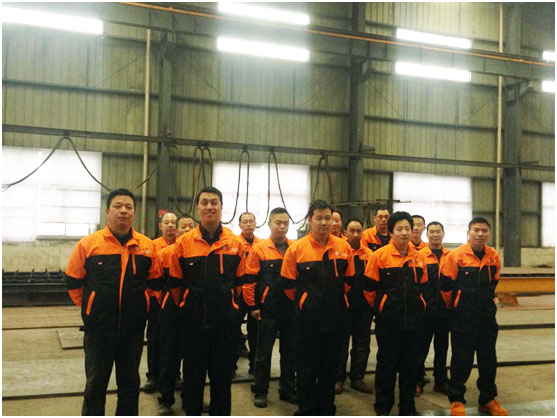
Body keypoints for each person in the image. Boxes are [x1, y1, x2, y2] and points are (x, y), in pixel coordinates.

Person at [65, 188, 162, 415]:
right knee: (95, 385)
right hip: (98, 331)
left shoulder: (147, 246)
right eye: (118, 206)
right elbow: (73, 281)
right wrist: (91, 306)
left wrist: (142, 307)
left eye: (129, 207)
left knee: (129, 385)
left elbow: (155, 285)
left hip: (132, 330)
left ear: (134, 213)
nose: (123, 211)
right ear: (107, 211)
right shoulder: (89, 244)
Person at [168, 186, 244, 416]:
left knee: (222, 380)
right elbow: (175, 285)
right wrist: (186, 306)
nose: (209, 207)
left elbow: (241, 283)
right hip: (193, 326)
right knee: (193, 379)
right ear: (197, 208)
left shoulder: (235, 243)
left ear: (221, 207)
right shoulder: (183, 244)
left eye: (214, 202)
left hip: (224, 327)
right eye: (204, 202)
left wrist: (233, 310)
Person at [281, 199, 355, 416]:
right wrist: (305, 302)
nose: (324, 223)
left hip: (335, 320)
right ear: (309, 220)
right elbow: (287, 285)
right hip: (307, 323)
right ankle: (306, 409)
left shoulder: (343, 247)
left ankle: (326, 409)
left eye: (328, 218)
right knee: (306, 369)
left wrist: (335, 300)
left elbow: (350, 281)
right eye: (319, 218)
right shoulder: (297, 249)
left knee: (329, 369)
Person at [363, 211, 428, 416]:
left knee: (410, 368)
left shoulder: (419, 257)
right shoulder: (379, 257)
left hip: (413, 324)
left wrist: (419, 306)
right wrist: (383, 308)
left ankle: (407, 408)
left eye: (407, 228)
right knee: (386, 367)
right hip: (388, 324)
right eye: (399, 229)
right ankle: (383, 408)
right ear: (391, 232)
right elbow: (369, 290)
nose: (404, 233)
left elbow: (423, 287)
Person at [440, 218, 507, 416]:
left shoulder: (493, 256)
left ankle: (487, 399)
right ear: (468, 232)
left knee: (488, 360)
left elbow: (493, 283)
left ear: (489, 233)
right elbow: (445, 288)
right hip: (463, 318)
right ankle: (456, 400)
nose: (480, 234)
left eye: (484, 230)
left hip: (486, 318)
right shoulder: (456, 256)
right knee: (461, 360)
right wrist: (458, 306)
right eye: (476, 230)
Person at [243, 207, 297, 408]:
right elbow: (249, 280)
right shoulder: (259, 249)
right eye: (278, 223)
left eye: (285, 223)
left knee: (290, 352)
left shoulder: (295, 248)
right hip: (268, 310)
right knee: (263, 353)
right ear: (269, 224)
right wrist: (253, 305)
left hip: (290, 310)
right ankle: (260, 390)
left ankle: (287, 389)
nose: (282, 227)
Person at [156, 214, 191, 415]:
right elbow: (156, 283)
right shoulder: (165, 254)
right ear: (176, 231)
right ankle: (165, 400)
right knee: (168, 357)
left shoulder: (199, 254)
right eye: (183, 226)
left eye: (190, 226)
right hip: (170, 311)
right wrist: (164, 303)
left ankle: (190, 399)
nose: (187, 230)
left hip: (192, 311)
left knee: (193, 359)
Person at [335, 218, 374, 395]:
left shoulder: (369, 255)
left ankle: (357, 378)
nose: (356, 234)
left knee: (362, 344)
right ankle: (338, 379)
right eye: (352, 231)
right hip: (343, 307)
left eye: (359, 231)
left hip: (364, 308)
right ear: (345, 232)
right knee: (340, 344)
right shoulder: (340, 252)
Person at [415, 222, 450, 397]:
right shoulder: (419, 256)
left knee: (442, 348)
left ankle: (441, 381)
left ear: (443, 233)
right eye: (432, 232)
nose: (435, 235)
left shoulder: (451, 256)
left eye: (438, 231)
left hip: (444, 311)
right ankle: (417, 381)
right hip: (425, 312)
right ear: (426, 234)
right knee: (420, 348)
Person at [145, 212, 178, 393]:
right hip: (157, 302)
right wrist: (155, 297)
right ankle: (153, 375)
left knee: (174, 342)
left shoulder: (182, 246)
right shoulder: (153, 246)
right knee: (155, 339)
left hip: (176, 303)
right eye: (167, 222)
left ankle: (175, 375)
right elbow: (149, 275)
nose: (171, 225)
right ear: (160, 226)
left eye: (173, 222)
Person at [233, 212, 261, 376]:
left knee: (255, 332)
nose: (248, 224)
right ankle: (231, 366)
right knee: (232, 330)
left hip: (254, 294)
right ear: (240, 225)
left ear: (255, 224)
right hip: (237, 293)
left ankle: (255, 366)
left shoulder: (262, 245)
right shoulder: (234, 244)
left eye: (251, 221)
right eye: (245, 222)